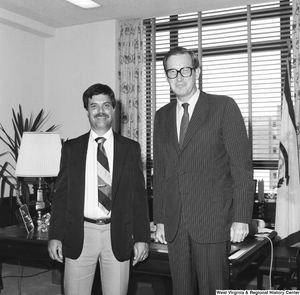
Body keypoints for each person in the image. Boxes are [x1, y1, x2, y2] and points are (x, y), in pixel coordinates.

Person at [153, 46, 254, 295]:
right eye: (171, 72)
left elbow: (241, 168)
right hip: (175, 224)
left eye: (185, 70)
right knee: (181, 290)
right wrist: (161, 220)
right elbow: (161, 172)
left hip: (212, 220)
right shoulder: (161, 116)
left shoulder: (223, 107)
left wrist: (241, 217)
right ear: (166, 76)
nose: (178, 77)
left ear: (196, 71)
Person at [48, 83, 150, 295]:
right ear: (87, 111)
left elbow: (138, 198)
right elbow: (61, 197)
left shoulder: (130, 149)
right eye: (94, 106)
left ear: (114, 109)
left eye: (105, 105)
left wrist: (141, 238)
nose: (100, 111)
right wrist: (55, 235)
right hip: (80, 233)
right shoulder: (71, 148)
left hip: (118, 234)